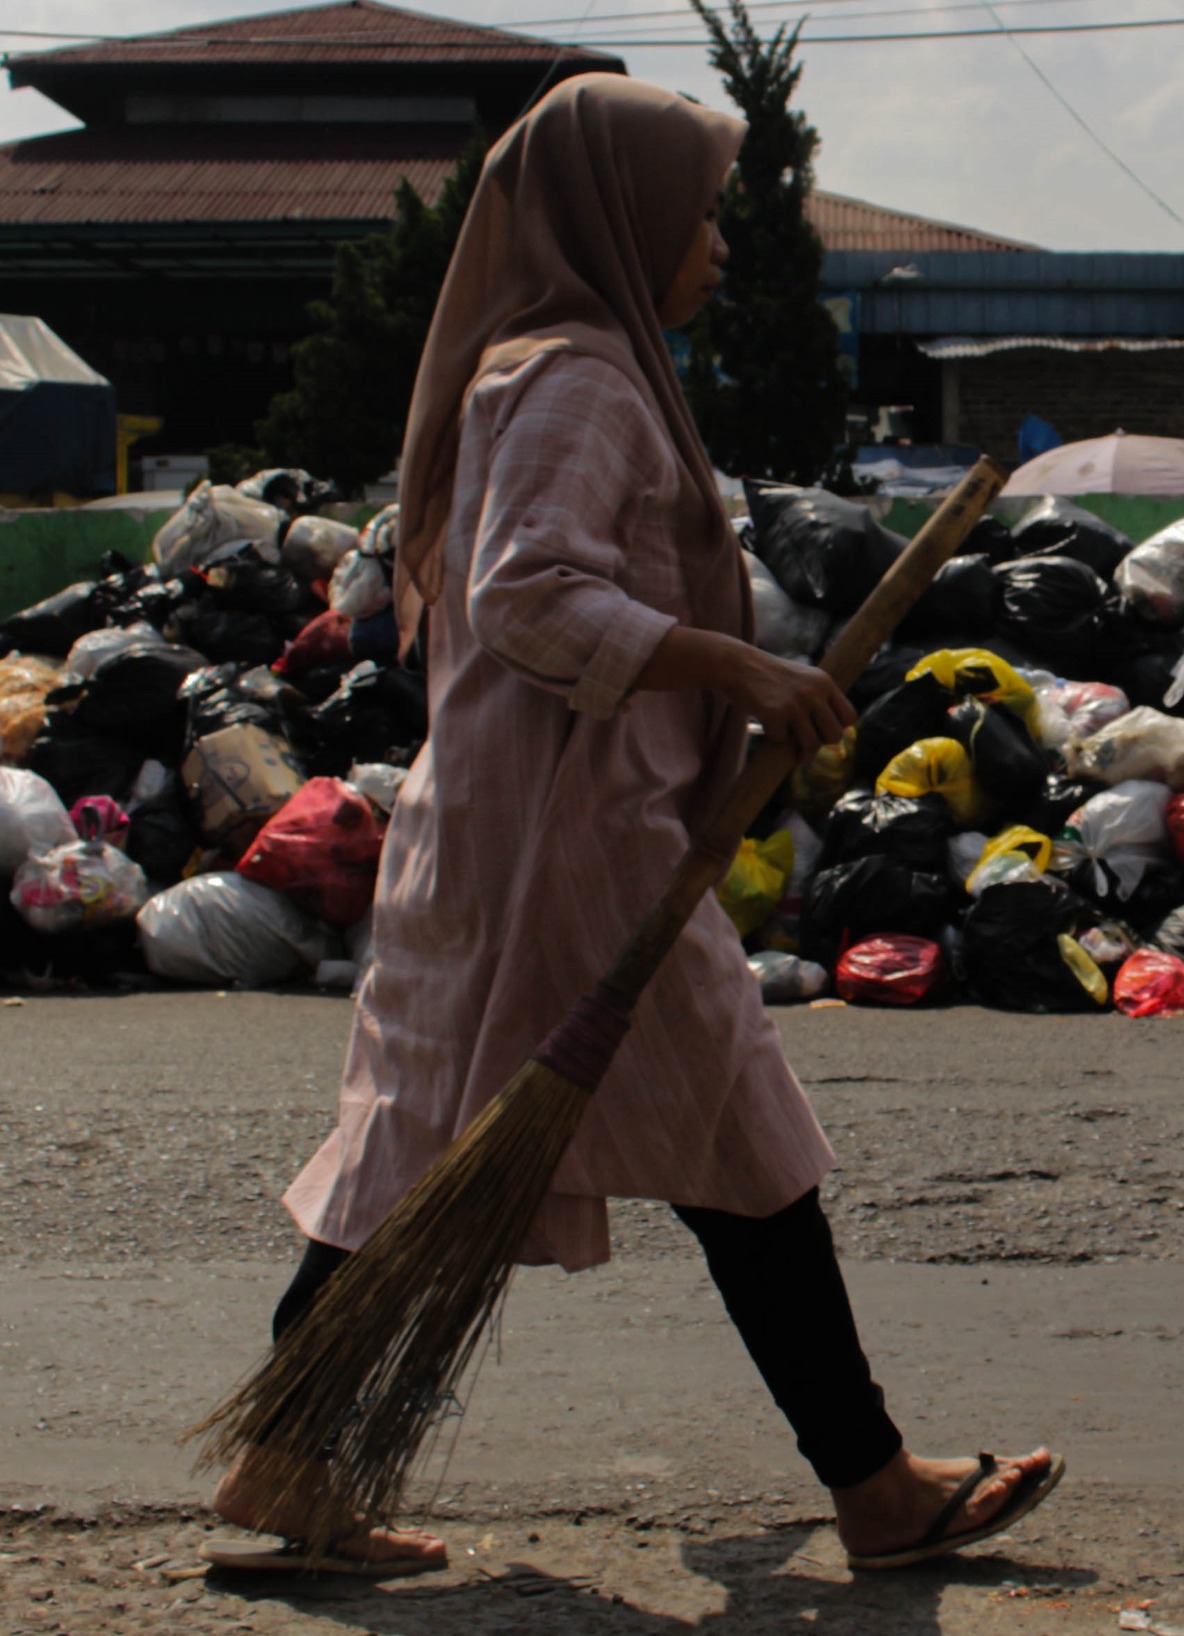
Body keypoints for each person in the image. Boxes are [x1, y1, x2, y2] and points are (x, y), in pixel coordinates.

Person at [210, 74, 1058, 1575]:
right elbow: (529, 594)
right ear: (621, 216)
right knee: (712, 1134)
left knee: (447, 1137)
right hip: (566, 844)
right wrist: (734, 663)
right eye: (703, 210)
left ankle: (291, 1455)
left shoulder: (544, 362)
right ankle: (872, 1486)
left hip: (531, 829)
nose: (722, 241)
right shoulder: (582, 374)